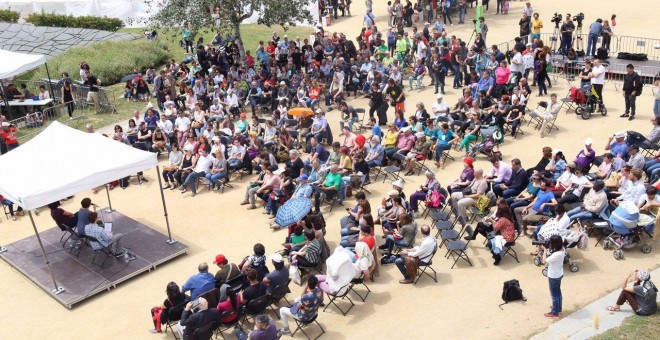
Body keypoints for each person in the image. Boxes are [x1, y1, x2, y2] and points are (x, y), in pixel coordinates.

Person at [543, 235, 565, 318]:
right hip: (559, 273)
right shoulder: (562, 248)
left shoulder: (557, 254)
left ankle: (555, 313)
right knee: (558, 292)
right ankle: (558, 308)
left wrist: (545, 249)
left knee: (554, 295)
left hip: (553, 276)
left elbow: (544, 260)